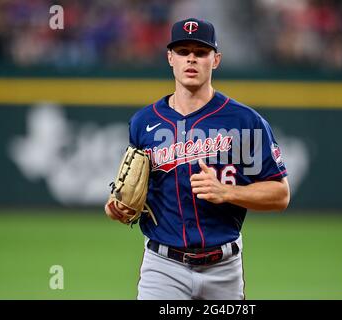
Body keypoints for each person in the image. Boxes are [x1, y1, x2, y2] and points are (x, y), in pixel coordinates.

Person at [105, 18, 290, 300]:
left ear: (215, 60)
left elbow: (280, 195)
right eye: (182, 51)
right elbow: (132, 189)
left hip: (224, 269)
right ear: (170, 58)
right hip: (162, 267)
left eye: (201, 52)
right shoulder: (144, 122)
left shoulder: (244, 121)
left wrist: (227, 192)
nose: (191, 58)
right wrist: (118, 206)